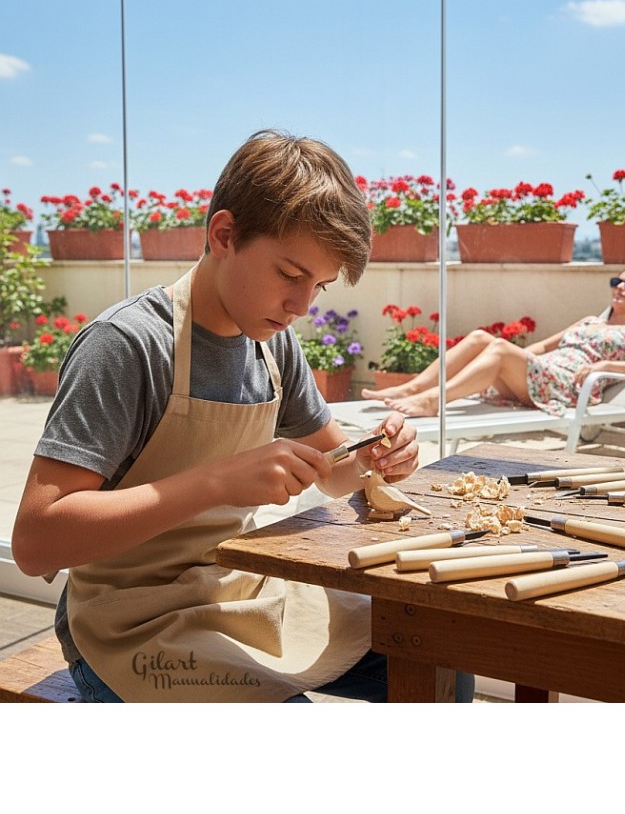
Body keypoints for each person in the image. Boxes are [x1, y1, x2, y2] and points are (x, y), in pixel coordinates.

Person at [12, 130, 473, 704]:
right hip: (129, 623)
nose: (303, 306)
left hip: (240, 590)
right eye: (289, 274)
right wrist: (217, 482)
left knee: (442, 657)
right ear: (224, 234)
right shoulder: (128, 345)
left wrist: (377, 454)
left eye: (319, 285)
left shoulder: (272, 346)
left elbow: (333, 471)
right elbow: (35, 544)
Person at [362, 267, 625, 418]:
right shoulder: (589, 320)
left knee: (499, 347)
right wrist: (493, 361)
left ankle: (433, 401)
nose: (620, 287)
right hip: (542, 373)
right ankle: (414, 387)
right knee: (483, 338)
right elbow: (541, 348)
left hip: (567, 386)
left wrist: (604, 365)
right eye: (617, 282)